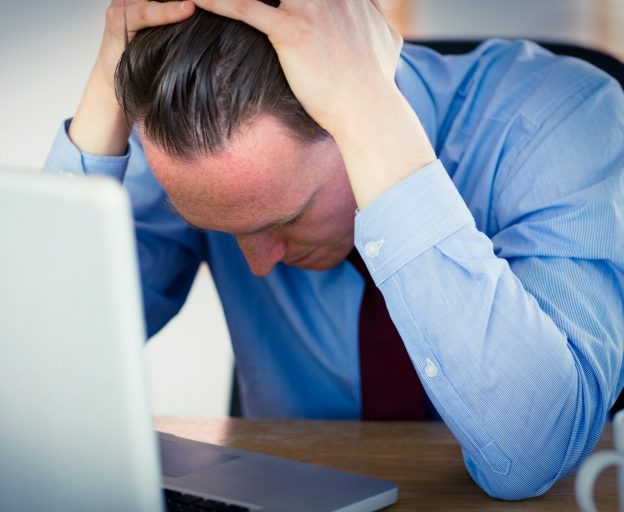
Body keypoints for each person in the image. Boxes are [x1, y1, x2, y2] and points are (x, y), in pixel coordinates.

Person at [44, 0, 624, 500]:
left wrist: (372, 115)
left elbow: (527, 454)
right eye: (223, 229)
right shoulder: (195, 157)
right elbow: (44, 372)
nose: (258, 264)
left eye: (287, 219)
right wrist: (104, 88)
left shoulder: (567, 120)